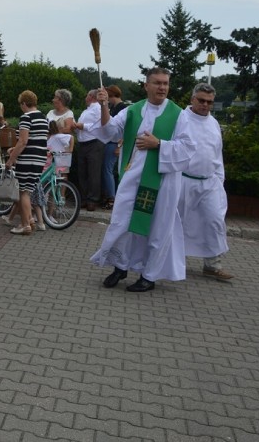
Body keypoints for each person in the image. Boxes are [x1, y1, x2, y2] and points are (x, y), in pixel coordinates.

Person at [90, 67, 196, 292]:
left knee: (158, 228)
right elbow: (109, 131)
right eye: (157, 83)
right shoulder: (132, 111)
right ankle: (120, 266)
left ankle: (149, 276)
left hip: (163, 183)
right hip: (132, 179)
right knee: (122, 223)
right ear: (146, 85)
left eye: (166, 83)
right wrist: (103, 106)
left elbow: (188, 149)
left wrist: (158, 144)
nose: (162, 87)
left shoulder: (179, 115)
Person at [178, 83, 233, 281]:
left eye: (209, 102)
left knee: (214, 221)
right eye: (201, 100)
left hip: (209, 183)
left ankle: (213, 265)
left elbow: (217, 154)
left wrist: (219, 179)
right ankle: (171, 261)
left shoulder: (214, 123)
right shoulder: (180, 119)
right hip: (183, 181)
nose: (205, 105)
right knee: (177, 223)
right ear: (192, 99)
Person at [5, 90, 47, 235]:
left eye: (20, 105)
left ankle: (24, 225)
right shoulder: (43, 118)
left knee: (23, 192)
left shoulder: (26, 117)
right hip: (40, 158)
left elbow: (23, 141)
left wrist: (11, 159)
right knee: (28, 191)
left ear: (24, 103)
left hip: (27, 159)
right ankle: (30, 220)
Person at [72, 89, 104, 211]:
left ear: (91, 96)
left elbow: (101, 125)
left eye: (86, 95)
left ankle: (93, 200)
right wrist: (75, 127)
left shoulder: (98, 109)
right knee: (83, 173)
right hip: (83, 143)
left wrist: (83, 126)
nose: (85, 98)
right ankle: (84, 198)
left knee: (93, 173)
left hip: (94, 143)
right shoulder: (86, 111)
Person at [101, 84, 128, 209]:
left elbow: (125, 129)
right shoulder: (115, 108)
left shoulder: (122, 108)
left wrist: (119, 145)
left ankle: (112, 197)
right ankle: (110, 195)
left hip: (115, 143)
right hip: (110, 143)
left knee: (108, 170)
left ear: (112, 96)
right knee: (109, 170)